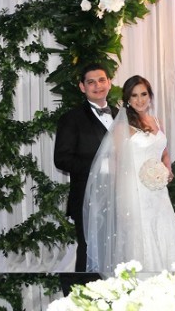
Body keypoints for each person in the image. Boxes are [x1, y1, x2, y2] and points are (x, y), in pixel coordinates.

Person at [83, 75, 175, 273]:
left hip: (158, 192)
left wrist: (167, 169)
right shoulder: (123, 127)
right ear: (128, 100)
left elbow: (164, 152)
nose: (140, 100)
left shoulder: (156, 121)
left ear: (150, 96)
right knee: (140, 236)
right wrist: (123, 201)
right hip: (135, 192)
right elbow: (117, 165)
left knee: (165, 228)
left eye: (144, 94)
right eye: (134, 95)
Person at [53, 63, 117, 272]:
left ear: (109, 82)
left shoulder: (120, 115)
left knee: (118, 249)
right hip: (87, 198)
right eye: (91, 82)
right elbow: (62, 159)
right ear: (82, 87)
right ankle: (84, 299)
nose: (97, 85)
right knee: (89, 250)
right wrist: (102, 164)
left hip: (120, 197)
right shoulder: (71, 119)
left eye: (101, 80)